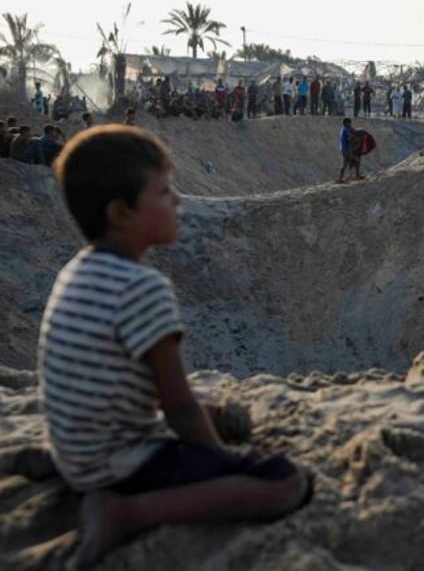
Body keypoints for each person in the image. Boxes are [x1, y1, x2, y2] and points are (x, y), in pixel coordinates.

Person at [41, 125, 312, 566]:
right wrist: (220, 464)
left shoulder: (76, 271)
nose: (179, 201)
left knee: (217, 413)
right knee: (286, 482)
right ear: (121, 213)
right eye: (165, 192)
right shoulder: (142, 288)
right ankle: (125, 513)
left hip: (75, 452)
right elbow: (178, 406)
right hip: (118, 465)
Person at [337, 117, 365, 182]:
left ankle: (340, 178)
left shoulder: (342, 129)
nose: (350, 124)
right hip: (347, 150)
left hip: (343, 149)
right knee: (357, 160)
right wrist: (358, 139)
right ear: (347, 123)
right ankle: (357, 175)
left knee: (345, 164)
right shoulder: (346, 129)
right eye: (349, 123)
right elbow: (350, 137)